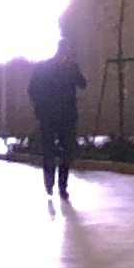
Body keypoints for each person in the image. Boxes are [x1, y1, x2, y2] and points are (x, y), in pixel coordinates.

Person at [27, 52, 89, 204]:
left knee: (66, 150)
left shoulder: (71, 67)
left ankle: (61, 185)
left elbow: (82, 84)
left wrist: (74, 69)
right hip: (49, 115)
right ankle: (50, 183)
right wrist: (40, 107)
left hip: (66, 116)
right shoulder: (43, 67)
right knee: (50, 150)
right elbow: (33, 89)